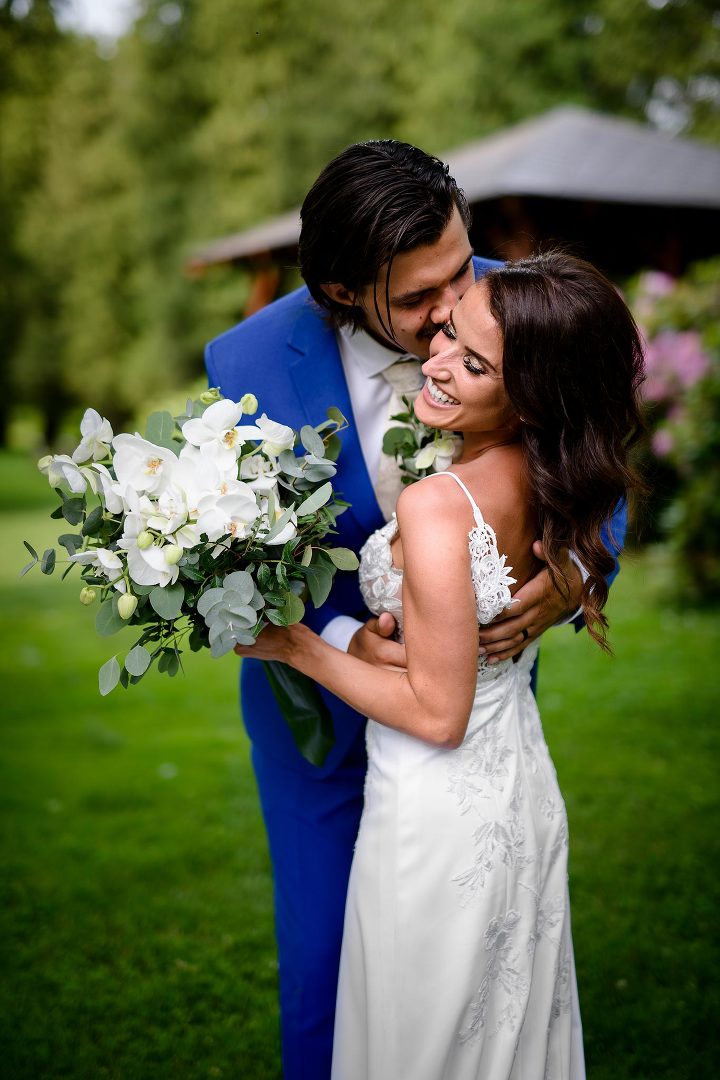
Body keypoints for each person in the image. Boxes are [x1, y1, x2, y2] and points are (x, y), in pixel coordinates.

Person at [204, 141, 625, 1079]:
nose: (451, 313)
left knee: (473, 968)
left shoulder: (506, 308)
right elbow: (244, 544)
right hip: (316, 723)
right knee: (327, 968)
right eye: (419, 298)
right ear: (344, 290)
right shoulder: (248, 365)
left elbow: (594, 441)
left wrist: (577, 572)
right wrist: (345, 637)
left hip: (470, 732)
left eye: (458, 268)